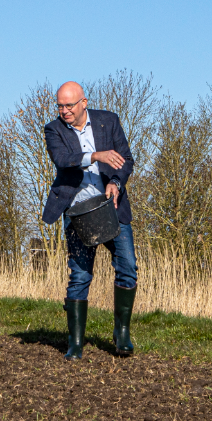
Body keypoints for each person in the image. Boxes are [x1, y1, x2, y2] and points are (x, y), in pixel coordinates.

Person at [43, 81, 137, 360]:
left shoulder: (109, 121)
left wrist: (116, 184)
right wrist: (96, 155)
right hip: (78, 212)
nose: (64, 111)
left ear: (83, 102)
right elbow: (63, 159)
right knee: (80, 275)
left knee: (128, 266)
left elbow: (127, 160)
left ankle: (121, 335)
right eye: (60, 106)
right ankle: (75, 342)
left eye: (69, 105)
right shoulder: (54, 129)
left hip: (111, 207)